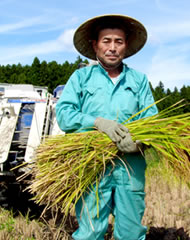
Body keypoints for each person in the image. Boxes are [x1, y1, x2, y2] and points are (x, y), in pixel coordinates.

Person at [56, 14, 158, 240]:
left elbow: (153, 121)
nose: (112, 47)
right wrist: (97, 123)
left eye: (118, 42)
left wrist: (140, 142)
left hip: (130, 169)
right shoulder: (81, 77)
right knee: (90, 232)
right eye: (106, 41)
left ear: (126, 45)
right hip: (92, 166)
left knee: (131, 233)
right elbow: (64, 114)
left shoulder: (139, 80)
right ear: (95, 45)